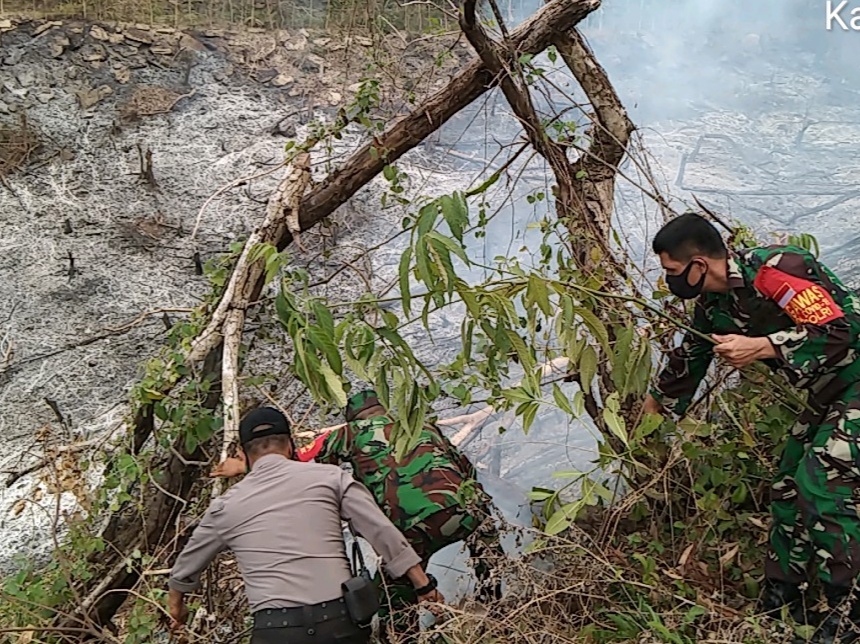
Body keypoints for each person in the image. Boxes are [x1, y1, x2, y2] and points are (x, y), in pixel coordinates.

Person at [643, 212, 860, 642]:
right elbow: (690, 360)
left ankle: (849, 614)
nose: (670, 281)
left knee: (821, 481)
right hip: (831, 392)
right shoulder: (716, 305)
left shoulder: (777, 272)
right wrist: (651, 415)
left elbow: (841, 332)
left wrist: (764, 347)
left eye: (672, 271)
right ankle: (783, 600)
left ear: (699, 265)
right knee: (785, 485)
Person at [214, 390, 504, 643]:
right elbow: (466, 469)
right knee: (492, 564)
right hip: (469, 510)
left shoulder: (345, 434)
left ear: (352, 418)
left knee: (394, 598)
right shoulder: (420, 426)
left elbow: (293, 464)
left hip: (413, 526)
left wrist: (244, 468)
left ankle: (404, 638)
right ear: (382, 409)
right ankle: (500, 618)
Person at [168, 407, 444, 644]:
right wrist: (423, 586)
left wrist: (177, 613)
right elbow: (382, 532)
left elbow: (185, 568)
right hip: (339, 622)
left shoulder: (225, 507)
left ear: (243, 453)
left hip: (275, 631)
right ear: (290, 445)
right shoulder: (332, 478)